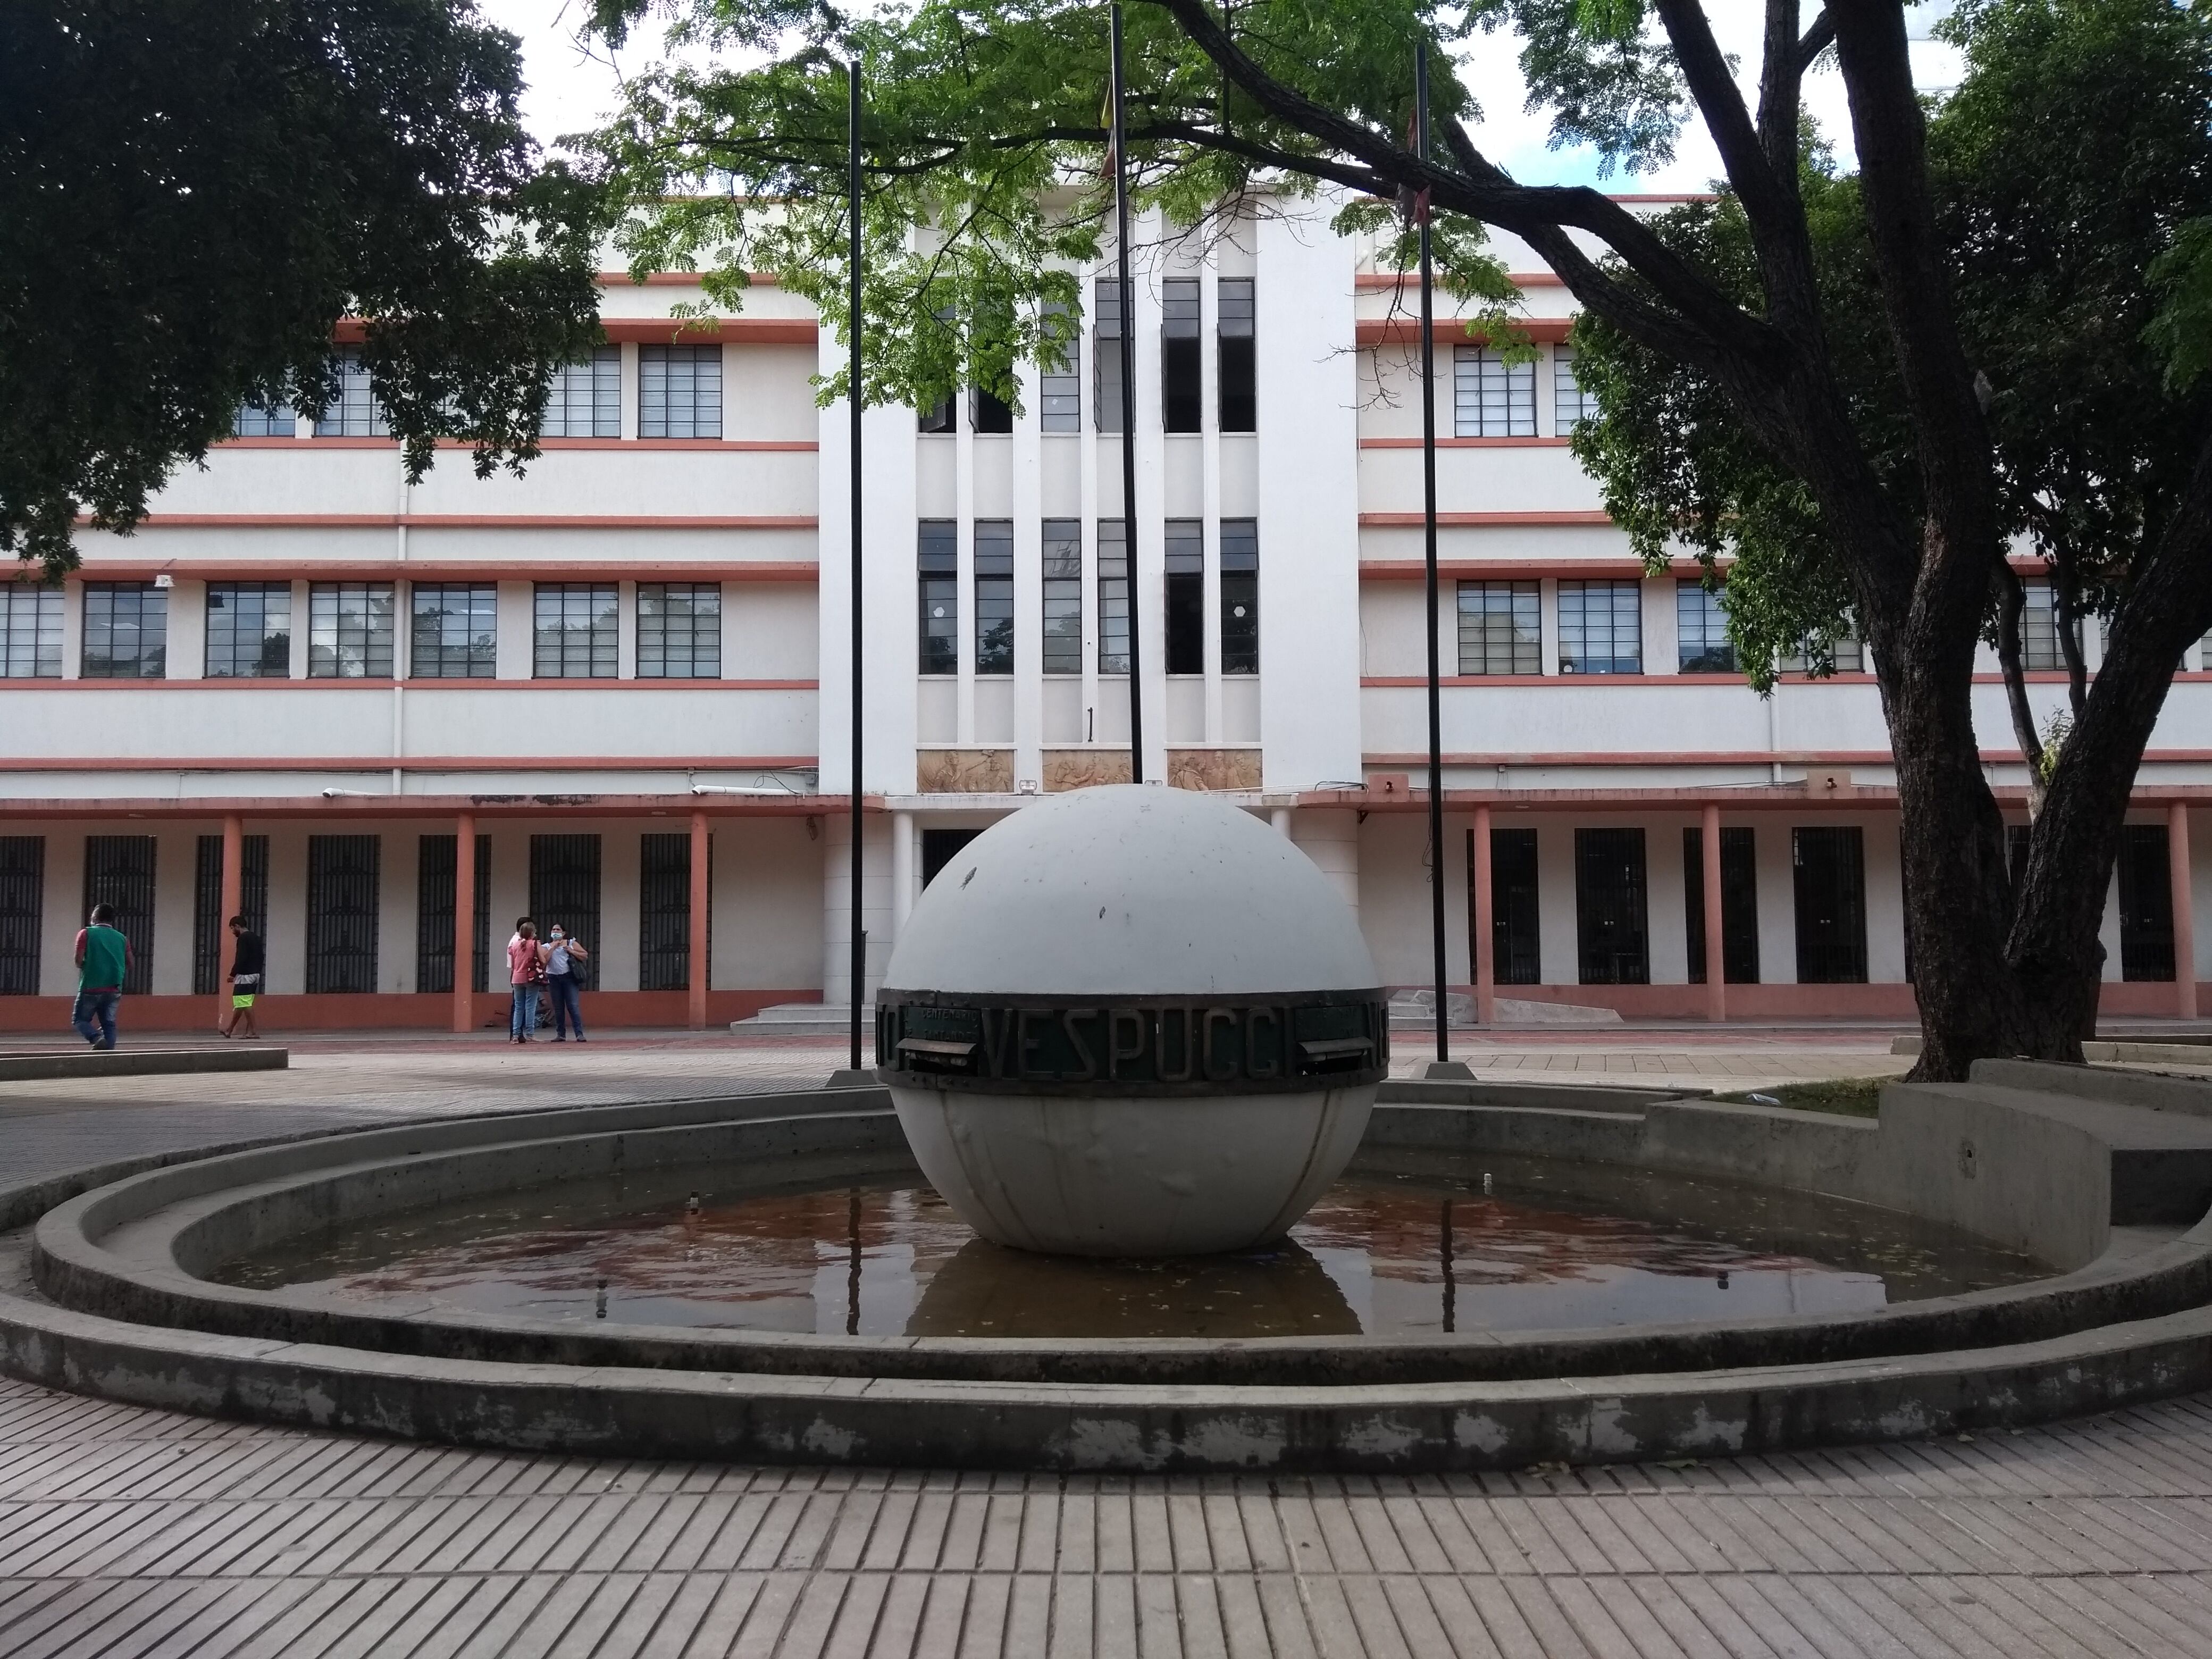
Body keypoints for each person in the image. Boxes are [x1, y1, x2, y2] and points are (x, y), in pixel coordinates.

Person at [72, 903, 131, 1050]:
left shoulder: (86, 933)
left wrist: (87, 965)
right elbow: (130, 962)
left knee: (80, 1020)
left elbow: (78, 960)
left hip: (91, 986)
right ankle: (108, 1055)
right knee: (108, 1023)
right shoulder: (122, 938)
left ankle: (96, 1038)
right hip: (114, 988)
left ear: (95, 917)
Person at [218, 915, 264, 1039]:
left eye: (233, 928)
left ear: (238, 926)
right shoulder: (256, 937)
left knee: (244, 1004)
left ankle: (253, 1032)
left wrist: (232, 974)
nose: (233, 932)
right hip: (255, 974)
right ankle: (229, 1030)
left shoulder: (243, 938)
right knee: (242, 1003)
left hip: (245, 975)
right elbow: (261, 957)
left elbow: (241, 958)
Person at [542, 923, 590, 1042]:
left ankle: (579, 1034)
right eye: (553, 930)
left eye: (558, 930)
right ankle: (561, 1034)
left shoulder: (571, 943)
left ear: (563, 933)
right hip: (554, 979)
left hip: (569, 978)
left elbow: (585, 955)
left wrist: (572, 951)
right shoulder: (546, 946)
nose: (555, 931)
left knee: (573, 1006)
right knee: (558, 1008)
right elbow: (544, 962)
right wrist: (553, 947)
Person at [507, 920, 543, 1043]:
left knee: (518, 1007)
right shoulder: (534, 944)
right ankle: (530, 1033)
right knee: (530, 1006)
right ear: (532, 933)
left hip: (516, 978)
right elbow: (543, 960)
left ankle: (516, 1035)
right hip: (530, 977)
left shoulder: (514, 945)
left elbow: (512, 964)